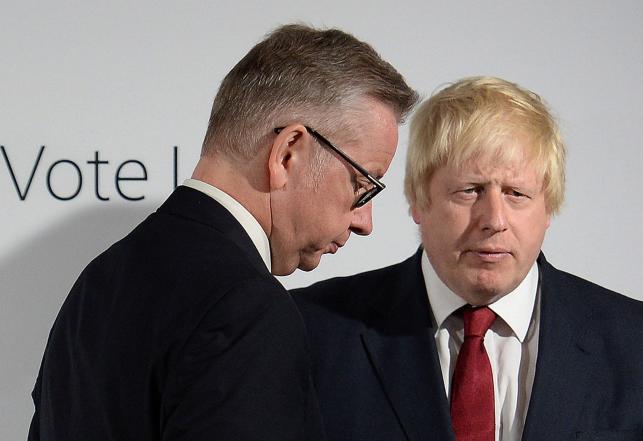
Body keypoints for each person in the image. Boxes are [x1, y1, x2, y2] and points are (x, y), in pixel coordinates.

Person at [28, 24, 417, 441]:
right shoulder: (247, 310)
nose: (365, 222)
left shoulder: (97, 281)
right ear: (287, 153)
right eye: (362, 185)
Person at [293, 76, 643, 441]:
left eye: (516, 194)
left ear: (549, 209)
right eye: (469, 190)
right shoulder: (311, 329)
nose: (493, 220)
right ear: (419, 200)